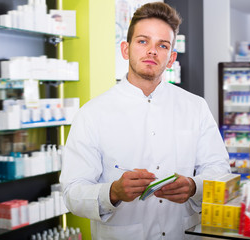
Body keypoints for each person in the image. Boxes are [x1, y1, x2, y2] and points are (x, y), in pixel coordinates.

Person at [60, 2, 230, 239]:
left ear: (171, 58)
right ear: (125, 49)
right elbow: (71, 192)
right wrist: (113, 192)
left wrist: (194, 186)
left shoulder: (195, 107)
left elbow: (220, 170)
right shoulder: (92, 114)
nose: (152, 51)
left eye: (162, 45)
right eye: (143, 41)